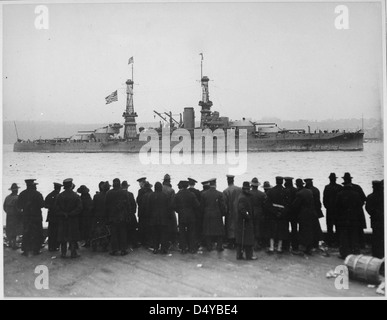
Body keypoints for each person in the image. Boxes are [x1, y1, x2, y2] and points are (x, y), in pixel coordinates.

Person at [291, 179, 322, 256]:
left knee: (304, 231)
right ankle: (310, 248)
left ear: (297, 185)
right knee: (310, 231)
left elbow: (295, 205)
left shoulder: (299, 193)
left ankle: (306, 248)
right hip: (312, 213)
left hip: (304, 215)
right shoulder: (309, 191)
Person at [335, 181, 364, 259]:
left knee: (344, 237)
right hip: (354, 218)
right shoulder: (356, 194)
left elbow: (337, 207)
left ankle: (344, 253)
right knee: (354, 235)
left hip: (343, 219)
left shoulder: (340, 194)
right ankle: (355, 251)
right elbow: (360, 205)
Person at [56, 178, 83, 259]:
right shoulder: (76, 196)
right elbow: (79, 208)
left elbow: (56, 208)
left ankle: (63, 253)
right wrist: (71, 213)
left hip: (63, 219)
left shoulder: (59, 196)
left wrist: (64, 213)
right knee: (73, 237)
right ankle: (73, 253)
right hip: (73, 219)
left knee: (63, 237)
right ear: (71, 185)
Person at [17, 179, 45, 256]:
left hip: (26, 216)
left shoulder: (22, 194)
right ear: (33, 185)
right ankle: (36, 250)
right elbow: (42, 204)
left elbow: (19, 205)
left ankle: (26, 250)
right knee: (36, 233)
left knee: (26, 232)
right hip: (36, 216)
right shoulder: (37, 194)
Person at [173, 180, 200, 254]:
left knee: (182, 232)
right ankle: (192, 248)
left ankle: (183, 248)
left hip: (182, 216)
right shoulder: (191, 194)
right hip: (191, 216)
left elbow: (173, 206)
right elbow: (197, 205)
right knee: (191, 232)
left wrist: (179, 211)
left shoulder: (177, 195)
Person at [341, 172, 367, 249]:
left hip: (347, 213)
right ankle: (361, 244)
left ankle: (351, 245)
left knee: (349, 230)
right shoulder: (357, 187)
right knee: (359, 229)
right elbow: (364, 199)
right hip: (358, 211)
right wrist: (358, 207)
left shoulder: (343, 190)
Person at [105, 178, 130, 256]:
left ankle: (114, 249)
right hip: (122, 216)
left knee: (114, 234)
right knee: (123, 233)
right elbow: (128, 205)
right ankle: (123, 250)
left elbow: (106, 206)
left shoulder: (108, 193)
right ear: (119, 184)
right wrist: (128, 215)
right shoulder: (124, 193)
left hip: (112, 217)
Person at [201, 178, 227, 252]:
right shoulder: (220, 194)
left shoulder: (204, 194)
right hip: (217, 214)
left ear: (209, 184)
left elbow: (202, 207)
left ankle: (209, 247)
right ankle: (219, 246)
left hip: (207, 214)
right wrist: (223, 213)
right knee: (219, 232)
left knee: (208, 231)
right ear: (215, 184)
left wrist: (203, 214)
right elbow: (222, 206)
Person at [265, 176, 288, 254]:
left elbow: (267, 204)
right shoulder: (286, 191)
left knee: (272, 230)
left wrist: (275, 212)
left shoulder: (271, 191)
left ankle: (271, 248)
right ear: (282, 182)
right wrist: (282, 212)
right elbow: (288, 204)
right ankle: (279, 248)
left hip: (273, 214)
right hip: (282, 214)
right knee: (281, 230)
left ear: (276, 181)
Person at [236, 182, 256, 260]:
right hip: (245, 221)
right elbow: (242, 209)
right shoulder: (243, 198)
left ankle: (240, 255)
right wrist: (248, 217)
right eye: (247, 189)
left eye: (249, 189)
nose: (248, 190)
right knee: (247, 239)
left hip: (243, 221)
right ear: (244, 189)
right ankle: (248, 256)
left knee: (242, 239)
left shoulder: (244, 196)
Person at [149, 182, 171, 254]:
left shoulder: (151, 195)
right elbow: (168, 207)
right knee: (163, 234)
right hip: (163, 218)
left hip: (153, 218)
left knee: (155, 234)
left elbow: (148, 207)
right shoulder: (165, 195)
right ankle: (164, 248)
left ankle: (155, 248)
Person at [365, 180, 384, 259]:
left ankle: (375, 253)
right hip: (382, 220)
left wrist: (373, 214)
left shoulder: (370, 197)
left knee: (375, 237)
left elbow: (367, 208)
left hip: (374, 220)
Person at [323, 173, 342, 247]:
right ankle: (337, 242)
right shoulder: (339, 187)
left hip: (330, 209)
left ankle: (330, 242)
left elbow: (324, 199)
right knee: (338, 226)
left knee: (329, 226)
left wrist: (327, 207)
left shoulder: (327, 187)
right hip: (337, 210)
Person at [223, 175, 242, 249]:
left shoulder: (225, 191)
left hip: (230, 211)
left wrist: (224, 212)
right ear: (233, 180)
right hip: (238, 211)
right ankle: (237, 242)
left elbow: (224, 204)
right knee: (237, 226)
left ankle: (230, 244)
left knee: (230, 227)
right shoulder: (239, 189)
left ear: (228, 181)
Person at [90, 181, 109, 252]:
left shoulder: (96, 196)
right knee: (104, 232)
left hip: (97, 216)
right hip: (105, 216)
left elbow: (93, 207)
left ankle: (94, 246)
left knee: (96, 233)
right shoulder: (108, 195)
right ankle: (104, 247)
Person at [250, 177, 267, 251]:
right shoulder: (262, 194)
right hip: (259, 212)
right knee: (258, 228)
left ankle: (252, 243)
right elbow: (265, 205)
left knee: (251, 227)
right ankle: (257, 244)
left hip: (251, 212)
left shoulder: (248, 193)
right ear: (257, 185)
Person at [44, 182, 62, 252]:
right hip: (58, 216)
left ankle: (51, 246)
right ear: (59, 188)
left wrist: (51, 207)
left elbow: (45, 205)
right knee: (57, 232)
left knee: (51, 232)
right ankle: (56, 246)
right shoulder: (60, 196)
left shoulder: (49, 195)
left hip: (51, 216)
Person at [3, 183, 22, 250]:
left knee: (9, 229)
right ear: (16, 190)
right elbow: (18, 208)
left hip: (9, 216)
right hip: (15, 216)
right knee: (15, 230)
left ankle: (10, 243)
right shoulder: (17, 198)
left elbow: (4, 207)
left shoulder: (7, 197)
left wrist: (8, 212)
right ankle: (14, 245)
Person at [162, 174, 178, 250]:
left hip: (161, 211)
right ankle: (173, 242)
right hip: (169, 212)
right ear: (169, 181)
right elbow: (173, 203)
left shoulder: (160, 188)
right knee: (173, 226)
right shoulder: (171, 190)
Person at [122, 180, 138, 250]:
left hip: (122, 216)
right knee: (133, 230)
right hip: (130, 215)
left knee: (123, 230)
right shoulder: (130, 194)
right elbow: (134, 205)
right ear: (127, 187)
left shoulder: (119, 194)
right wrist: (133, 212)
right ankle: (134, 244)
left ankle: (125, 244)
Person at [284, 177, 298, 252]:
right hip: (294, 213)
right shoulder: (296, 190)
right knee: (294, 229)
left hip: (286, 213)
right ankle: (295, 246)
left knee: (285, 229)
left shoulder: (285, 190)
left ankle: (286, 246)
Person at [188, 178, 202, 249]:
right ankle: (195, 243)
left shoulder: (186, 191)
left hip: (187, 214)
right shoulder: (197, 192)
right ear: (194, 184)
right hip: (195, 214)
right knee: (195, 230)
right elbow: (199, 204)